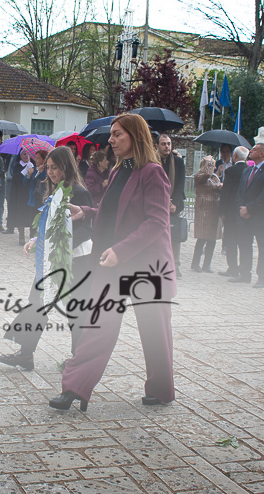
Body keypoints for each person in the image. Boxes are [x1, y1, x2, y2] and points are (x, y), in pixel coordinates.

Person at [50, 113, 176, 412]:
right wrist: (86, 212)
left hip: (147, 264)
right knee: (97, 325)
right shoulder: (120, 170)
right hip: (111, 261)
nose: (111, 139)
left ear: (136, 136)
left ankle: (161, 389)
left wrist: (123, 249)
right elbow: (113, 213)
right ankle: (74, 388)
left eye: (118, 134)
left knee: (155, 331)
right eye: (112, 134)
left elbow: (157, 221)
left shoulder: (153, 172)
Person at [0, 146, 93, 370]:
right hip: (51, 260)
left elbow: (87, 228)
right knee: (37, 302)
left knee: (76, 311)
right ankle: (25, 354)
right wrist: (36, 240)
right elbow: (48, 225)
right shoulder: (54, 191)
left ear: (66, 167)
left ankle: (78, 360)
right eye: (48, 168)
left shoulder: (79, 192)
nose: (50, 172)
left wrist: (64, 246)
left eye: (55, 168)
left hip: (77, 261)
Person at [231, 140, 264, 288]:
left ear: (261, 153)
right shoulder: (247, 170)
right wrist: (241, 208)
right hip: (244, 215)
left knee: (262, 248)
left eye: (253, 149)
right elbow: (240, 192)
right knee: (244, 245)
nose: (250, 151)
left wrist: (249, 209)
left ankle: (262, 278)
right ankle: (244, 273)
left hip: (259, 216)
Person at [218, 146, 249, 278]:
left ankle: (232, 268)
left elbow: (226, 192)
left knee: (230, 241)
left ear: (234, 156)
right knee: (243, 242)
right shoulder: (250, 170)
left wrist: (222, 211)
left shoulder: (230, 171)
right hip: (244, 211)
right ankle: (244, 268)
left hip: (230, 211)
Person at [157, 134, 185, 278]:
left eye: (168, 143)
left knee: (174, 236)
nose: (167, 146)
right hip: (156, 204)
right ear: (157, 146)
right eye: (163, 144)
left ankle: (176, 266)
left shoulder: (178, 161)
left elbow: (181, 183)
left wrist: (173, 203)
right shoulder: (152, 161)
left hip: (174, 204)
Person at [191, 155, 222, 273]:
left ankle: (207, 264)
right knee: (202, 237)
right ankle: (195, 263)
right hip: (204, 208)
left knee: (212, 239)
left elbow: (218, 186)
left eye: (213, 164)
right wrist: (208, 162)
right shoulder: (199, 176)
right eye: (210, 164)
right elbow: (206, 175)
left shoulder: (215, 177)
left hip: (215, 208)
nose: (212, 167)